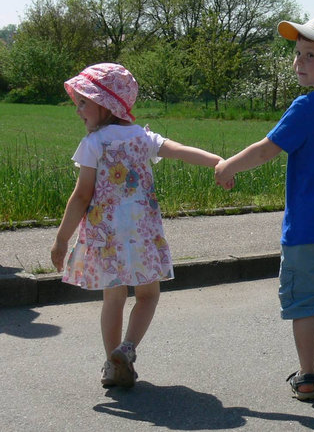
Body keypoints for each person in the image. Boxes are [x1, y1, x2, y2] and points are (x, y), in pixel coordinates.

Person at [214, 14, 314, 402]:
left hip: (305, 229)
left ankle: (307, 377)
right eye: (298, 53)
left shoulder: (305, 107)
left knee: (304, 302)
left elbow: (267, 149)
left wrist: (228, 165)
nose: (298, 62)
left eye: (310, 55)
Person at [51, 63, 224, 389]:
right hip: (142, 236)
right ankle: (127, 349)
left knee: (112, 300)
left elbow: (81, 197)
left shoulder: (94, 144)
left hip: (107, 238)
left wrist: (61, 239)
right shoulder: (143, 137)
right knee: (148, 296)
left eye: (84, 102)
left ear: (105, 105)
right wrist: (220, 163)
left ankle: (111, 364)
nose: (78, 111)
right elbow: (182, 152)